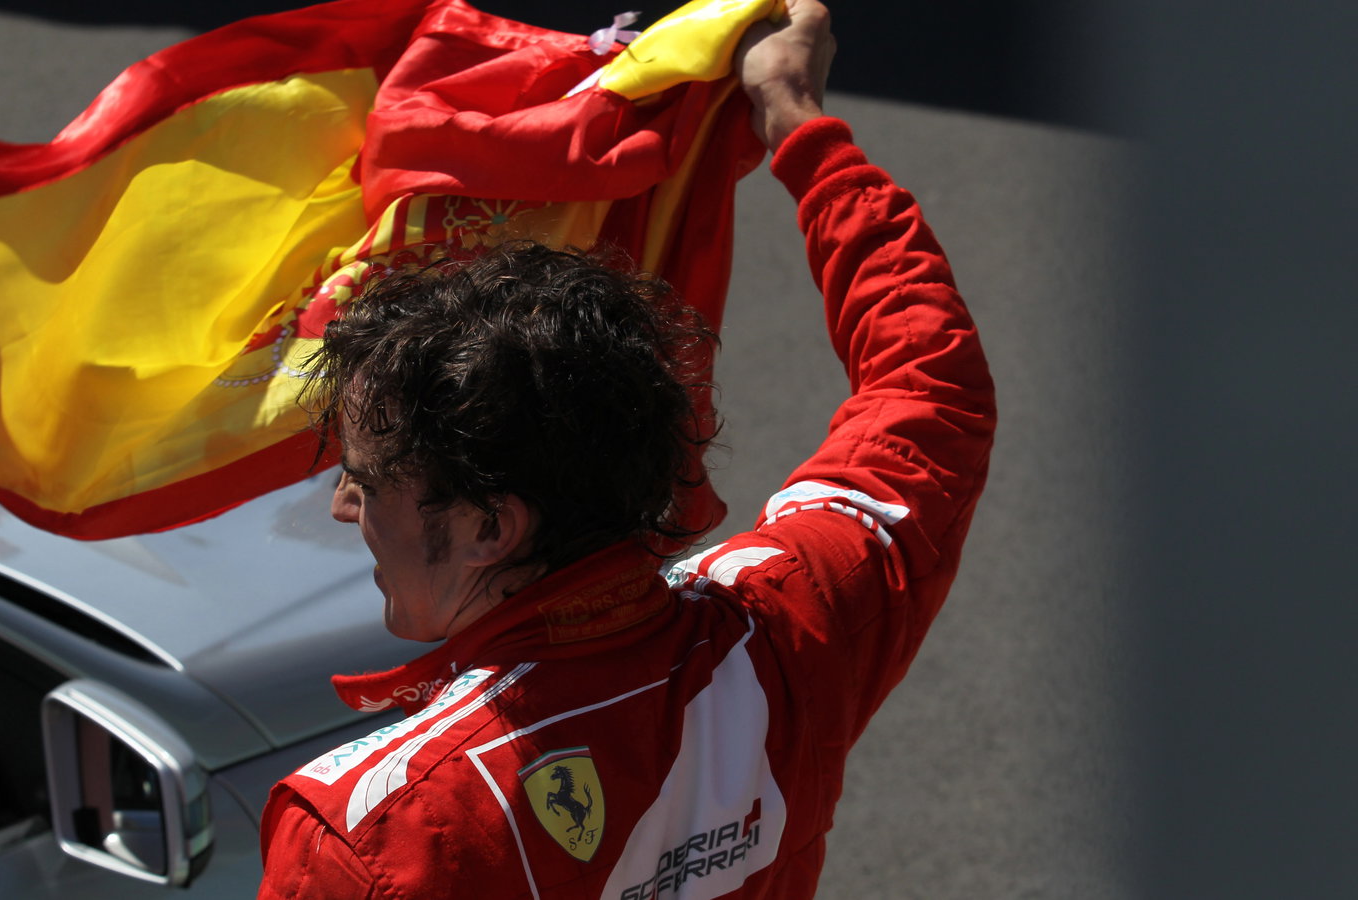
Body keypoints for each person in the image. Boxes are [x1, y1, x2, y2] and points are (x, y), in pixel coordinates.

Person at [258, 1, 995, 897]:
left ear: (493, 523)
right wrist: (798, 122)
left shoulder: (370, 837)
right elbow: (929, 387)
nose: (343, 505)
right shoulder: (794, 619)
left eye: (368, 479)